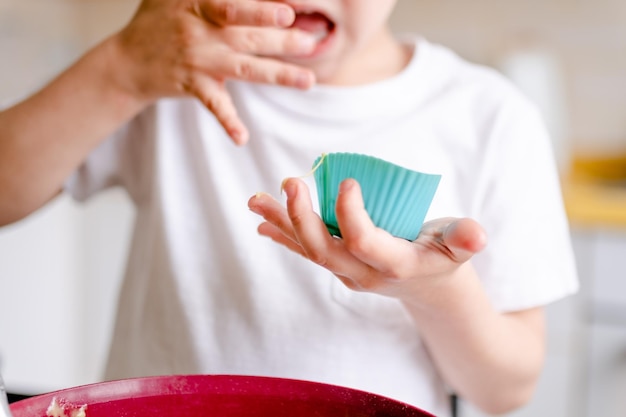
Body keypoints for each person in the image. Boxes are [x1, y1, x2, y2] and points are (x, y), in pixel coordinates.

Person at [0, 1, 578, 416]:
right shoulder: (170, 77)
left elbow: (506, 390)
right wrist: (122, 68)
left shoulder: (491, 118)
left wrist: (433, 289)